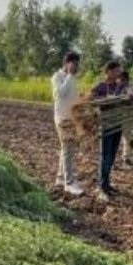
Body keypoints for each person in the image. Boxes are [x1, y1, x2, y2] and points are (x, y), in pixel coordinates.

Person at [89, 60, 129, 201]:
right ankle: (101, 187)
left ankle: (106, 184)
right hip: (106, 124)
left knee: (111, 156)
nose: (119, 73)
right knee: (105, 156)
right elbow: (91, 100)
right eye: (117, 71)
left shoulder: (120, 86)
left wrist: (128, 98)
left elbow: (127, 99)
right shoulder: (99, 86)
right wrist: (107, 99)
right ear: (109, 72)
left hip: (117, 124)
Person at [51, 52, 84, 196]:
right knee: (68, 148)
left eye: (77, 64)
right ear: (67, 63)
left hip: (72, 118)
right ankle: (69, 183)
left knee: (67, 148)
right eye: (74, 64)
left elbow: (72, 97)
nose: (76, 67)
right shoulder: (57, 77)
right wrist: (70, 75)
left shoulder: (73, 78)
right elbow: (59, 94)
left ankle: (60, 178)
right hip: (62, 119)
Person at [118, 70, 133, 167]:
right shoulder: (118, 87)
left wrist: (131, 98)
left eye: (122, 80)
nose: (121, 82)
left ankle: (131, 156)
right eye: (120, 80)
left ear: (126, 79)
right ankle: (126, 158)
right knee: (126, 136)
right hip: (124, 115)